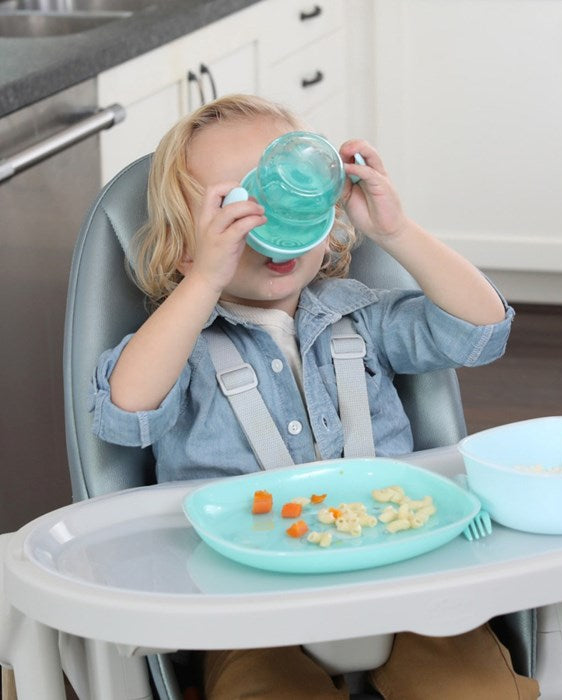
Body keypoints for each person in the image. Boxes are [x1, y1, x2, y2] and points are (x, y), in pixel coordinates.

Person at [91, 94, 539, 699]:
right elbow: (126, 416)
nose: (266, 217)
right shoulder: (178, 346)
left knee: (471, 689)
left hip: (403, 572)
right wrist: (204, 280)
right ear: (183, 244)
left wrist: (396, 232)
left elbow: (481, 332)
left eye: (288, 193)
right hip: (244, 600)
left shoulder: (363, 318)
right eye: (234, 205)